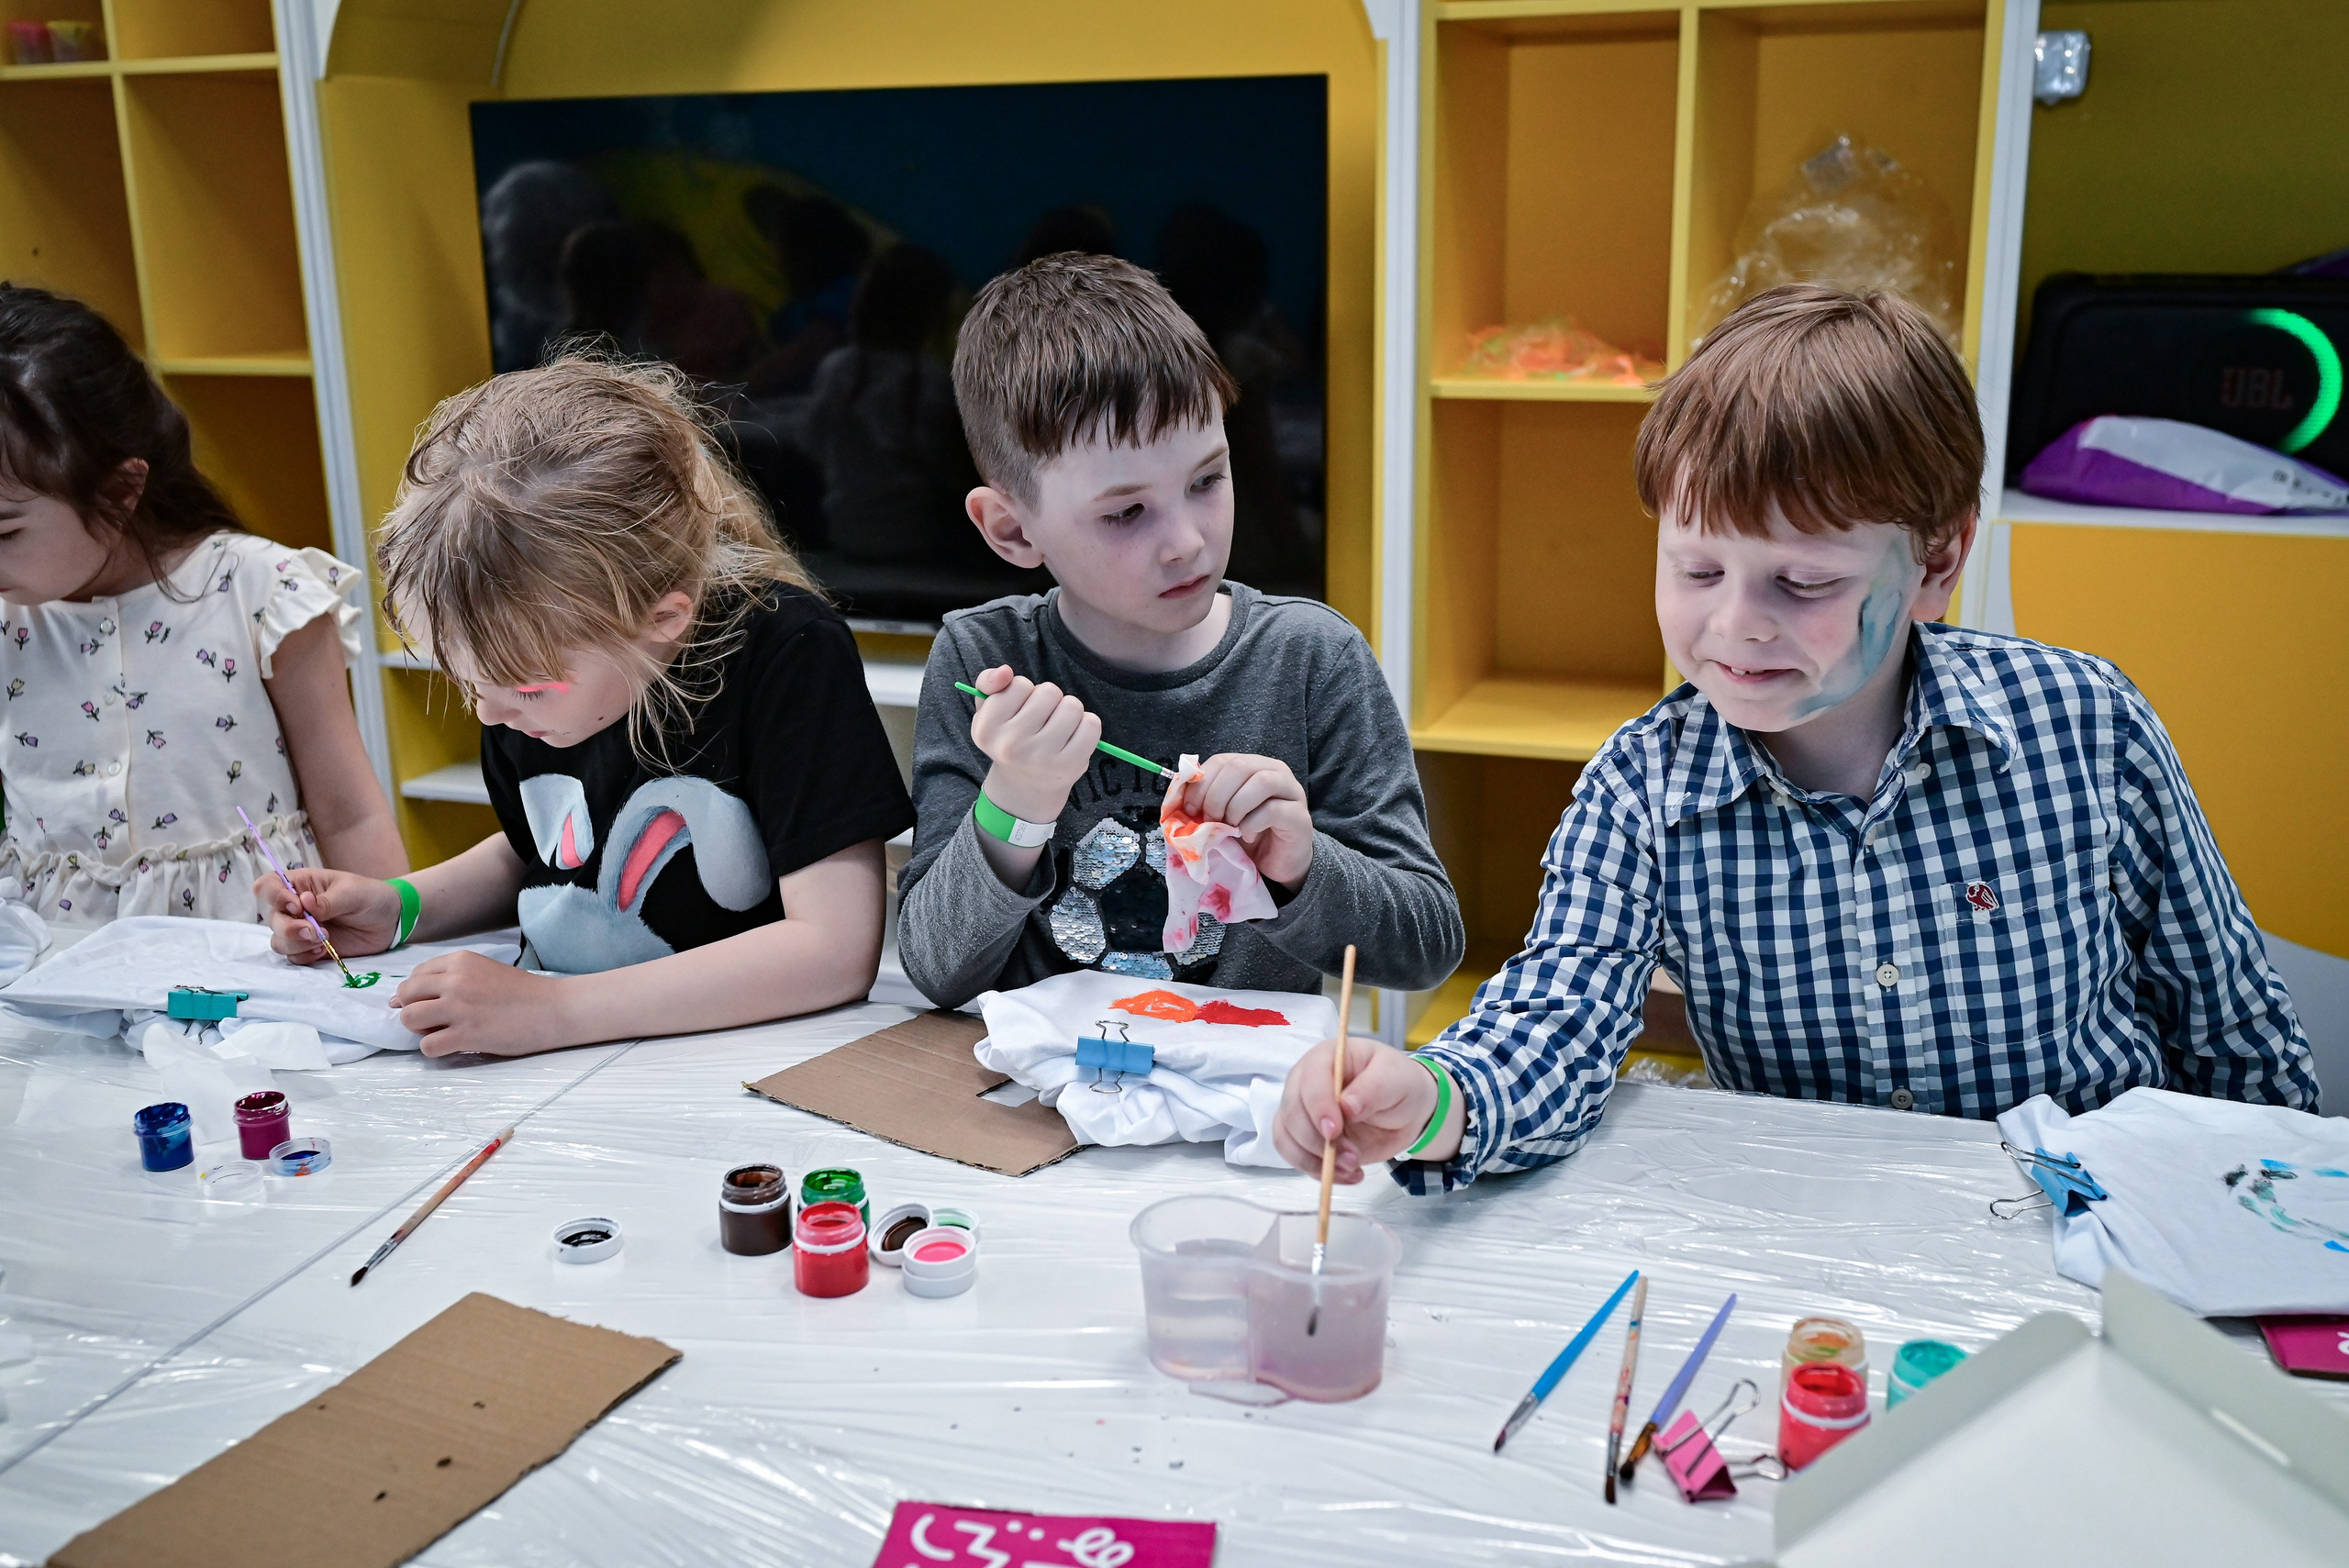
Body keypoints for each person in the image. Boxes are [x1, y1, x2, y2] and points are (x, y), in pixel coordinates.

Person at [1273, 283, 2318, 1193]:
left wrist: (2252, 1231)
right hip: (1815, 1240)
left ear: (1937, 561)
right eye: (1697, 570)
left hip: (2087, 1227)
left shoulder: (2084, 724)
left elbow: (2233, 1032)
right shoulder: (1643, 787)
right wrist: (1431, 1096)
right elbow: (1554, 1021)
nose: (1737, 625)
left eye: (1804, 582)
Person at [258, 355, 913, 1057]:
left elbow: (833, 949)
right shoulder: (525, 675)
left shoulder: (788, 653)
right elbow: (545, 851)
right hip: (566, 1063)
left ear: (662, 620)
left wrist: (554, 1010)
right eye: (466, 681)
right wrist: (401, 907)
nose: (488, 715)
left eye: (526, 687)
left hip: (730, 1065)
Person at [896, 253, 1462, 1006]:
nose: (1188, 542)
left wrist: (1301, 863)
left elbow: (1427, 944)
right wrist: (1016, 801)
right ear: (1011, 528)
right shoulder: (983, 662)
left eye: (1206, 480)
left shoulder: (1310, 659)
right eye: (1127, 512)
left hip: (1247, 1078)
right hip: (1043, 1083)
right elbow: (936, 969)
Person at [0, 284, 404, 925]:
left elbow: (349, 813)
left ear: (120, 491)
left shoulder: (263, 593)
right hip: (57, 956)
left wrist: (392, 951)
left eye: (5, 533)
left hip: (253, 950)